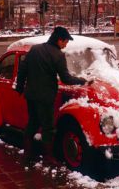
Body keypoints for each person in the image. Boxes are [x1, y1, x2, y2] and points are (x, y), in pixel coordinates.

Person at [15, 26, 88, 164]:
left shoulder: (34, 49)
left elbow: (22, 70)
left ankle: (27, 154)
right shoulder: (58, 55)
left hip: (31, 95)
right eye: (66, 41)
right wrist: (82, 81)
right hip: (46, 98)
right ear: (59, 40)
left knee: (32, 124)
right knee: (48, 128)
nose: (66, 45)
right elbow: (66, 79)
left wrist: (19, 87)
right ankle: (48, 157)